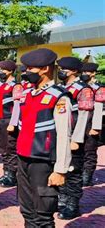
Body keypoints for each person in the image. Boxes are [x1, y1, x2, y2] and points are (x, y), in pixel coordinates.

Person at [16, 48, 72, 227]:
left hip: (44, 161)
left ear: (45, 69)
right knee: (27, 210)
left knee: (42, 214)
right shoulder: (28, 94)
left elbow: (64, 135)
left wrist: (61, 169)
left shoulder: (58, 97)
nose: (26, 73)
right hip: (24, 158)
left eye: (30, 69)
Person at [56, 56, 94, 220]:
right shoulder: (61, 87)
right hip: (60, 135)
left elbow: (84, 116)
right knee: (61, 168)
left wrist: (76, 140)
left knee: (73, 171)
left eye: (64, 69)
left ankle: (72, 205)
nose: (60, 72)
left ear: (74, 71)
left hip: (73, 137)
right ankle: (62, 200)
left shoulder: (83, 89)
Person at [0, 60, 22, 188]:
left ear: (10, 71)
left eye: (3, 70)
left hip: (9, 120)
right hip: (0, 119)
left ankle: (12, 176)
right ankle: (6, 173)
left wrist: (13, 123)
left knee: (10, 148)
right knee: (3, 148)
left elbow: (17, 105)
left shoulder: (16, 86)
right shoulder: (2, 85)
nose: (1, 72)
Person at [80, 62, 103, 186]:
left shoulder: (99, 88)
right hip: (79, 122)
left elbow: (99, 108)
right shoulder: (80, 87)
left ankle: (87, 176)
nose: (84, 75)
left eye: (86, 72)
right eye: (82, 72)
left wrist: (96, 127)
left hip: (91, 123)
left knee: (89, 151)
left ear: (93, 73)